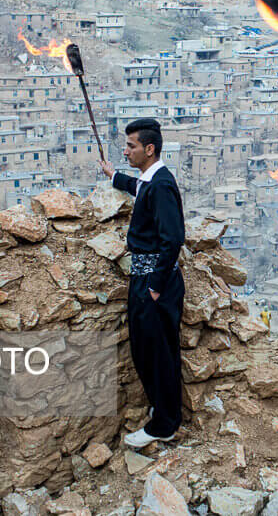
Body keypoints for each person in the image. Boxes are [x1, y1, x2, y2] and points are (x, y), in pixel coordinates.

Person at [102, 118, 186, 448]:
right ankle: (162, 411)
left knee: (158, 352)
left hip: (155, 283)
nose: (126, 151)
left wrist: (154, 285)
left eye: (131, 146)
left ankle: (165, 423)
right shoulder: (152, 181)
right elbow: (140, 190)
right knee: (146, 349)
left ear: (149, 149)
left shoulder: (162, 185)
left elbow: (173, 238)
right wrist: (115, 177)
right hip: (146, 279)